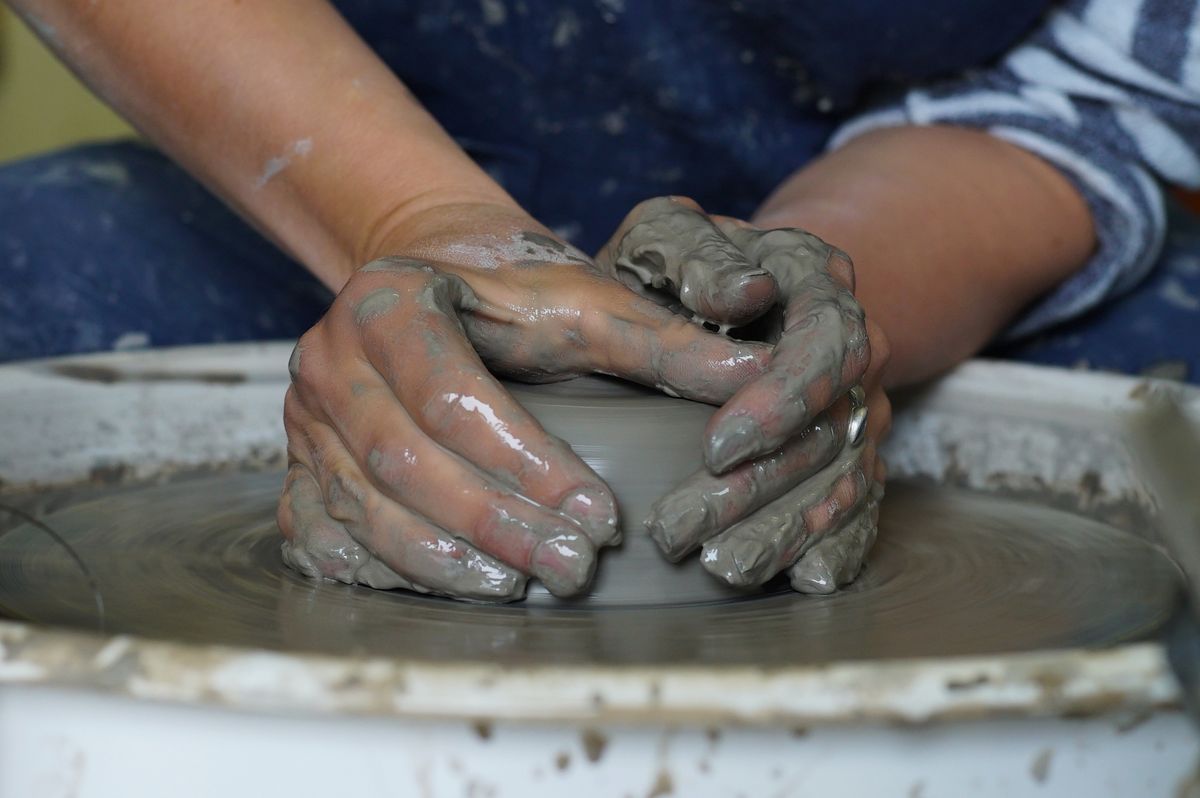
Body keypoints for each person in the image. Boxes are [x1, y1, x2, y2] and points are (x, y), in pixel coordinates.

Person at [1, 0, 1197, 600]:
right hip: (325, 137)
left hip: (894, 196)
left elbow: (1105, 94)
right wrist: (419, 221)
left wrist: (807, 316)